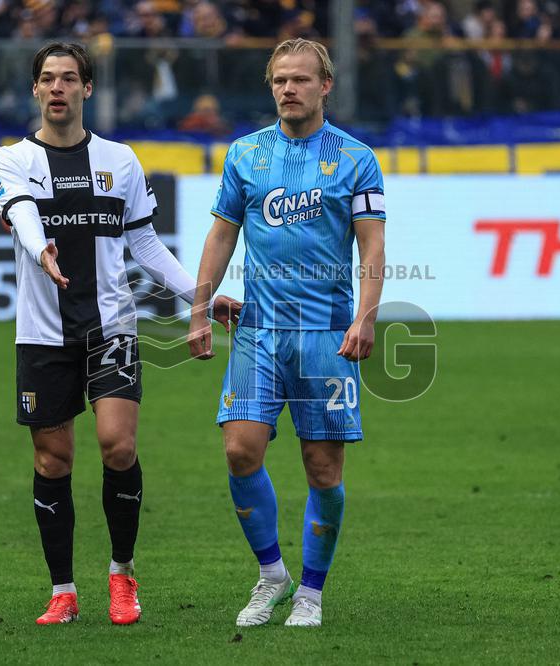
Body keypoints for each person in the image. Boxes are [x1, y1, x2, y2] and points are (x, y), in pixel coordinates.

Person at [0, 42, 238, 626]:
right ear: (35, 89)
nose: (57, 88)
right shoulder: (11, 160)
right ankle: (63, 591)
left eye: (68, 78)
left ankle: (122, 576)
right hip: (42, 334)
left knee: (118, 446)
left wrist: (199, 297)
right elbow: (22, 210)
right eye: (47, 78)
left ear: (86, 89)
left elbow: (145, 244)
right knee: (53, 460)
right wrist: (39, 245)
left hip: (112, 325)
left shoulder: (120, 161)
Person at [187, 38, 386, 628]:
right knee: (239, 450)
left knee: (322, 469)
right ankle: (272, 575)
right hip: (259, 330)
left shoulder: (355, 158)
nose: (288, 89)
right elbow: (222, 235)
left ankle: (312, 593)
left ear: (326, 85)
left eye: (300, 80)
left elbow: (372, 244)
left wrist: (367, 314)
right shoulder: (246, 155)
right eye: (279, 80)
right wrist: (199, 309)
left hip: (326, 333)